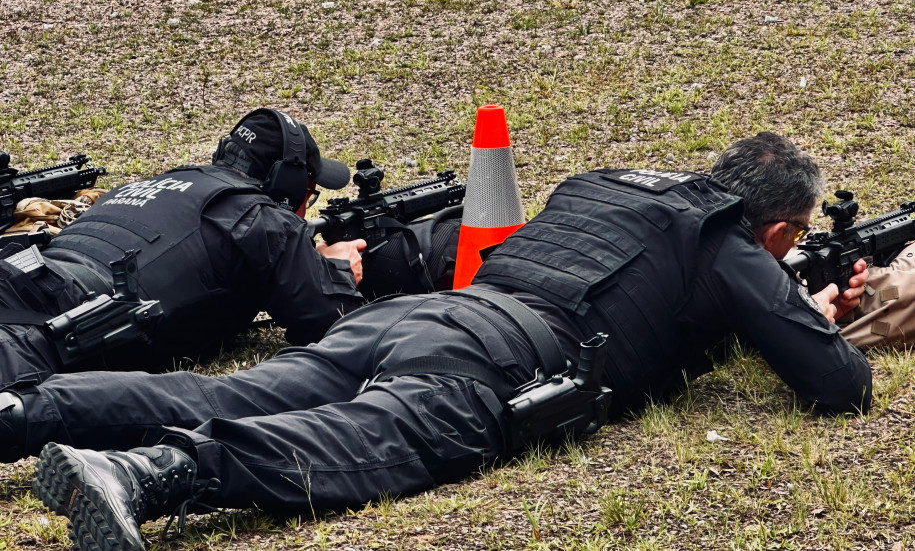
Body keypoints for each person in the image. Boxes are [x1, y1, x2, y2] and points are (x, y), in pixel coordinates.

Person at [3, 133, 872, 551]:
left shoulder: (607, 181)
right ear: (781, 231)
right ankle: (152, 474)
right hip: (507, 355)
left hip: (421, 312)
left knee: (228, 390)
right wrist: (809, 309)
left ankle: (23, 412)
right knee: (366, 437)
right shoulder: (729, 240)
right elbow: (837, 384)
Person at [0, 108, 370, 388]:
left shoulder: (157, 183)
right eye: (309, 191)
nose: (308, 202)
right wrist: (336, 269)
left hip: (20, 273)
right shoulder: (259, 215)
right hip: (67, 319)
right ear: (285, 181)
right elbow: (328, 319)